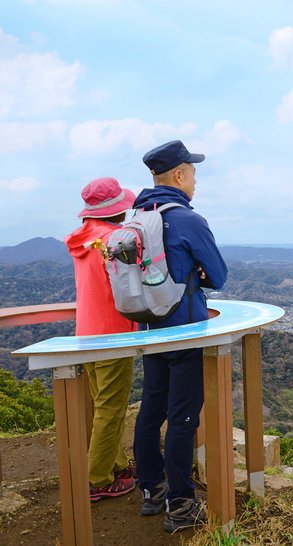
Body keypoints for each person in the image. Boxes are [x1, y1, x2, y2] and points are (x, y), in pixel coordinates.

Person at [131, 140, 228, 533]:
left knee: (151, 411)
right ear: (178, 175)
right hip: (184, 330)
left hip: (149, 327)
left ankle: (152, 490)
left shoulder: (135, 215)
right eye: (193, 173)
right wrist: (199, 275)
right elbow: (218, 276)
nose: (195, 182)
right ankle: (182, 506)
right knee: (183, 418)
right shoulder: (188, 220)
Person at [64, 177, 138, 501]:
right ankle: (97, 479)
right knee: (111, 407)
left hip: (87, 334)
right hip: (113, 335)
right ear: (116, 210)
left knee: (104, 404)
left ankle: (117, 464)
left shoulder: (83, 240)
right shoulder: (113, 241)